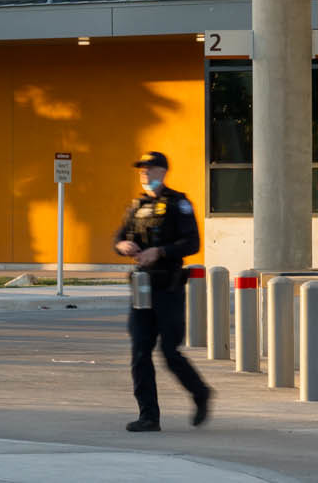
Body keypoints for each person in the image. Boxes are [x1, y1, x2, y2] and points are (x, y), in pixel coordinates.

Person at [114, 150, 211, 432]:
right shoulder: (137, 206)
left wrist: (160, 251)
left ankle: (200, 392)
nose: (144, 174)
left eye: (150, 169)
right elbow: (118, 238)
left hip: (168, 288)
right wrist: (122, 246)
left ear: (163, 172)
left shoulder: (178, 204)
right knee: (139, 353)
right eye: (141, 170)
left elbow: (192, 243)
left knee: (169, 352)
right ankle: (148, 416)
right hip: (142, 289)